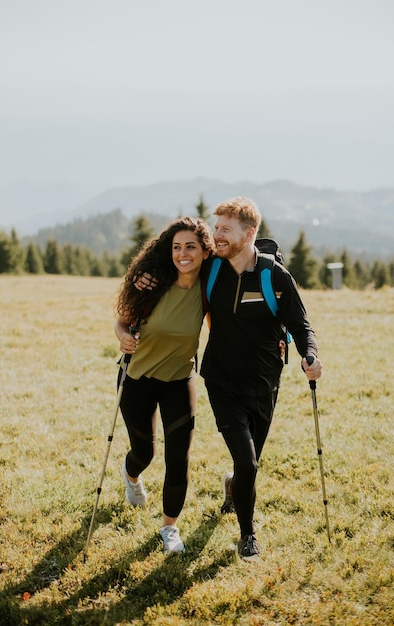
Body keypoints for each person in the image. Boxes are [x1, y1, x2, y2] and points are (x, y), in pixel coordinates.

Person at [199, 197, 322, 562]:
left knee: (247, 466)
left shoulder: (274, 276)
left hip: (265, 384)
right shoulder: (211, 270)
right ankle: (248, 534)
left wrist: (310, 355)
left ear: (249, 233)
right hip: (220, 380)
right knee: (248, 463)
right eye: (215, 227)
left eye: (225, 229)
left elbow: (301, 324)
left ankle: (234, 488)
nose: (216, 236)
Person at [114, 216, 214, 553]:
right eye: (177, 247)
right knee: (145, 452)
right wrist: (124, 336)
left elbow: (223, 326)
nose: (183, 253)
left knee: (178, 458)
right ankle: (131, 477)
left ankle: (169, 528)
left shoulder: (208, 287)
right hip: (138, 378)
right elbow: (122, 322)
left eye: (190, 247)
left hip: (178, 380)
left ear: (204, 251)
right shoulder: (152, 283)